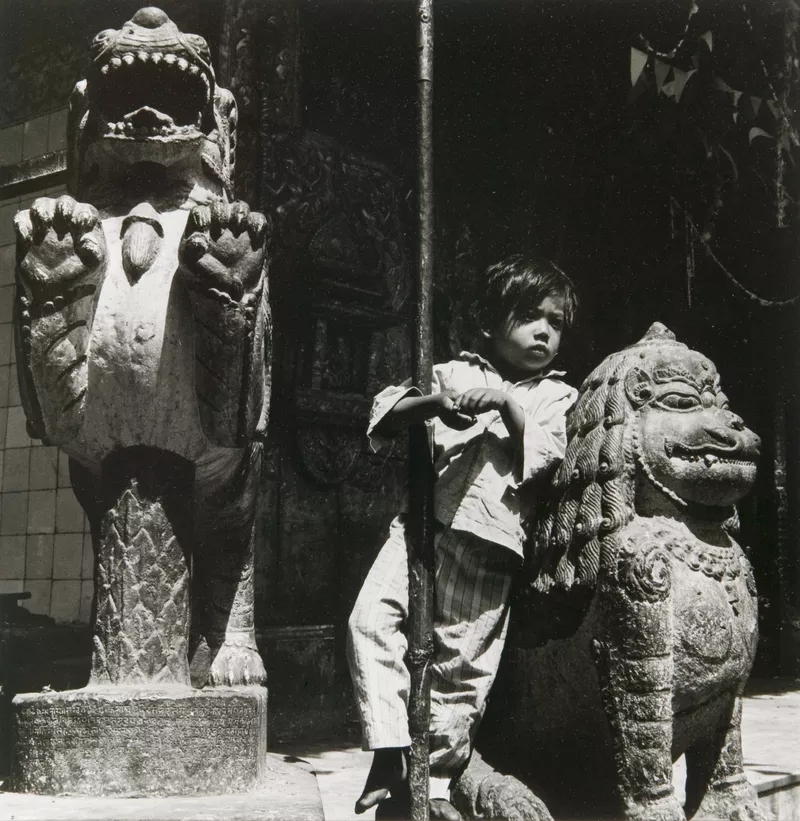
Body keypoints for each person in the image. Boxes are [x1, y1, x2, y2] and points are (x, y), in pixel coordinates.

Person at [347, 254, 579, 820]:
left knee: (460, 676)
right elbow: (385, 415)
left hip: (489, 548)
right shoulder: (454, 372)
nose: (544, 332)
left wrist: (506, 404)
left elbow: (548, 459)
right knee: (369, 620)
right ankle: (390, 750)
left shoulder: (557, 396)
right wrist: (437, 405)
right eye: (530, 316)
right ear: (490, 322)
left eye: (555, 323)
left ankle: (430, 786)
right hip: (422, 531)